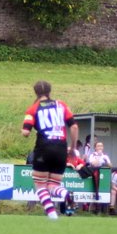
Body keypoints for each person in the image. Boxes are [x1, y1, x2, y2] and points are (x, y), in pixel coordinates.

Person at [20, 79, 78, 220]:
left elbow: (26, 132)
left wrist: (24, 131)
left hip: (43, 148)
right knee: (53, 185)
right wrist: (73, 147)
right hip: (61, 148)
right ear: (49, 91)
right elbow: (74, 126)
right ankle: (65, 194)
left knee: (40, 186)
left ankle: (52, 216)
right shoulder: (61, 105)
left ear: (35, 92)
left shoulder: (33, 109)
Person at [82, 140, 111, 213]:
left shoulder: (105, 156)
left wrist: (106, 161)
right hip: (93, 173)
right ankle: (89, 207)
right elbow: (93, 164)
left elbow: (110, 165)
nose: (100, 147)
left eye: (101, 146)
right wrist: (99, 157)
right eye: (98, 146)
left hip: (103, 175)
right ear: (95, 148)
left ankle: (99, 208)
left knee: (102, 190)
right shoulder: (92, 155)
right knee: (91, 188)